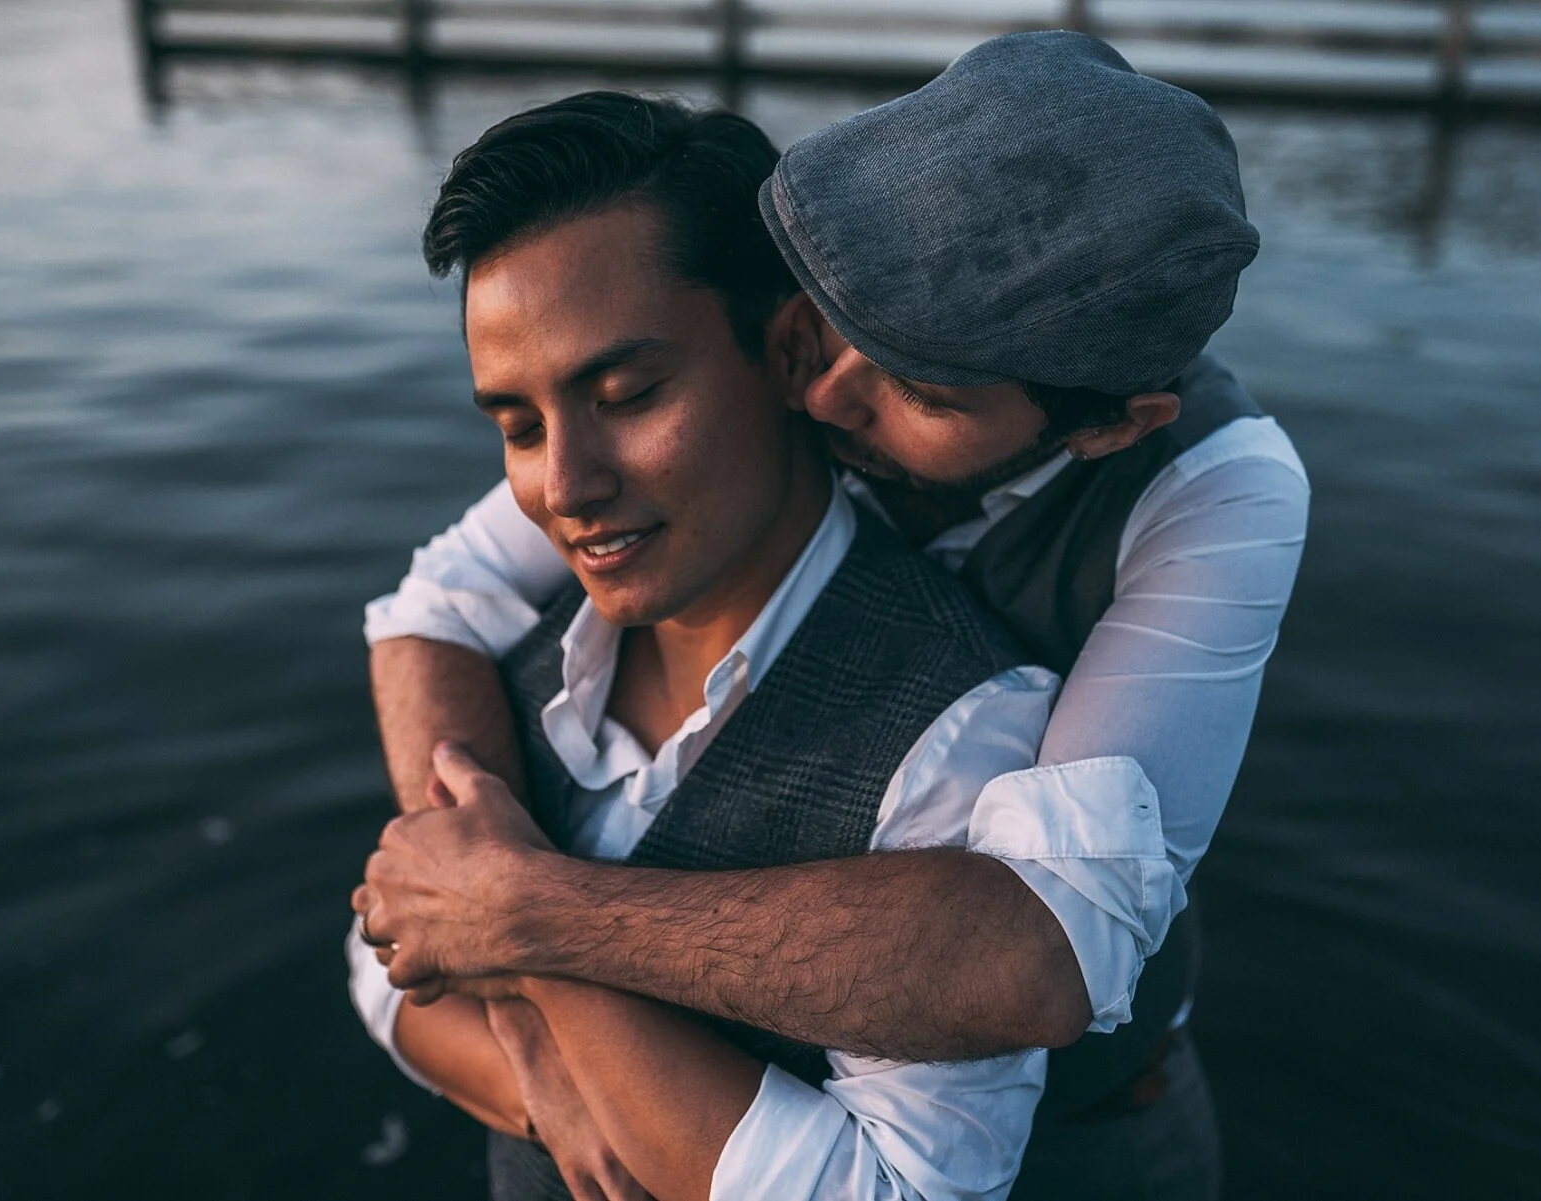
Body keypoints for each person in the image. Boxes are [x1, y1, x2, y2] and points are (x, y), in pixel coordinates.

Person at [360, 31, 1310, 1200]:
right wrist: (509, 983)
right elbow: (439, 605)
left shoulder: (1215, 490)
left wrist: (519, 913)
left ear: (1110, 424)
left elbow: (1043, 949)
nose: (821, 392)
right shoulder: (778, 353)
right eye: (828, 322)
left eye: (919, 391)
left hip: (1090, 1128)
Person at [351, 92, 1061, 1200]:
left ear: (788, 352)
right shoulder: (511, 656)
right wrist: (546, 1081)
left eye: (628, 395)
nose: (566, 488)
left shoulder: (960, 730)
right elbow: (387, 944)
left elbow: (905, 1189)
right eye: (519, 428)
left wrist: (520, 925)